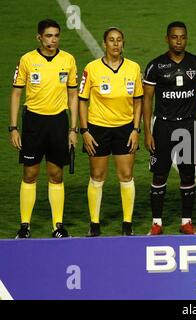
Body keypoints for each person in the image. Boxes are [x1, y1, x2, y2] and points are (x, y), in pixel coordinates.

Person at [10, 19, 78, 239]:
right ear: (39, 37)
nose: (53, 40)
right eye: (48, 36)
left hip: (58, 122)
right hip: (33, 123)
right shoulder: (27, 60)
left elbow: (73, 95)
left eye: (56, 35)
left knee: (56, 174)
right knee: (30, 173)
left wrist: (73, 129)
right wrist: (13, 128)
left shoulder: (68, 60)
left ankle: (57, 225)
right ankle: (24, 225)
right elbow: (17, 94)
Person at [143, 21, 196, 235]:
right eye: (174, 37)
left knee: (187, 174)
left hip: (188, 125)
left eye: (182, 37)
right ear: (167, 39)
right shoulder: (155, 66)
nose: (179, 41)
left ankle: (186, 222)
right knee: (159, 175)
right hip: (162, 126)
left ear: (186, 38)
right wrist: (147, 132)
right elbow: (146, 101)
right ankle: (156, 223)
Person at [78, 27, 143, 236]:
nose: (115, 44)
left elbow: (138, 100)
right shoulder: (92, 68)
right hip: (98, 128)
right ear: (104, 43)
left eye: (119, 40)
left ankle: (127, 224)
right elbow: (82, 101)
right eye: (111, 40)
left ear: (123, 43)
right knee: (97, 175)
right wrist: (85, 131)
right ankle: (94, 224)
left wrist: (135, 129)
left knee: (126, 175)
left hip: (125, 128)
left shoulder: (133, 68)